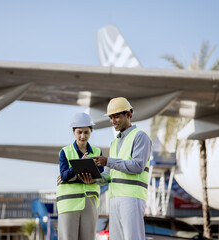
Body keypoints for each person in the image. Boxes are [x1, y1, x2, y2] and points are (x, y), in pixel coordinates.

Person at [93, 97, 152, 240]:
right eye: (111, 117)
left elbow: (137, 166)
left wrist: (108, 161)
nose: (113, 121)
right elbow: (108, 175)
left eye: (117, 116)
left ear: (128, 114)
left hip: (132, 197)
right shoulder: (114, 143)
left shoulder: (140, 137)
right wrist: (93, 178)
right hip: (114, 200)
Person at [56, 112, 104, 240]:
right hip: (69, 204)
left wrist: (73, 176)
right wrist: (81, 165)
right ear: (73, 132)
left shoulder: (97, 152)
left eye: (86, 132)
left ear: (91, 132)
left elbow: (99, 175)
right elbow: (64, 176)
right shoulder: (65, 152)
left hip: (90, 202)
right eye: (79, 132)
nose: (83, 136)